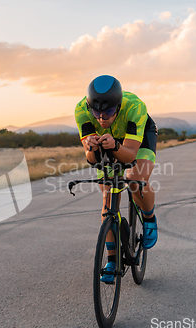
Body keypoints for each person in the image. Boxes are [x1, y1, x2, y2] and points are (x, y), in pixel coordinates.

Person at [75, 75, 158, 283]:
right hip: (107, 141)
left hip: (138, 138)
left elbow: (130, 155)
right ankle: (112, 260)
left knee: (134, 179)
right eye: (97, 113)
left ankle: (149, 218)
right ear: (89, 106)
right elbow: (92, 160)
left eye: (109, 112)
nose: (102, 119)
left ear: (118, 107)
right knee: (107, 199)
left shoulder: (135, 107)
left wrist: (116, 146)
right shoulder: (81, 110)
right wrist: (91, 147)